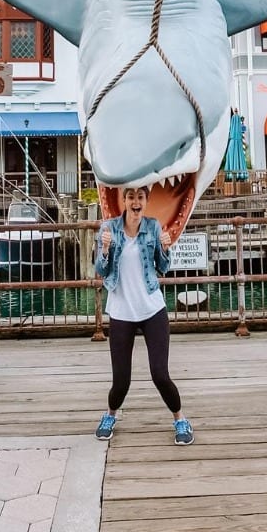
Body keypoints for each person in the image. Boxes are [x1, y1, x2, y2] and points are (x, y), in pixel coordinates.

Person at [93, 185, 194, 445]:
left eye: (140, 197)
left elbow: (163, 267)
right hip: (122, 312)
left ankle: (180, 419)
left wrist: (165, 248)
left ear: (146, 201)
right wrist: (105, 250)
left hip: (152, 309)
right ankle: (110, 415)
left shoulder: (153, 227)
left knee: (160, 373)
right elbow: (101, 270)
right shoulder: (108, 229)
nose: (135, 202)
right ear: (124, 201)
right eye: (131, 197)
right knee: (121, 380)